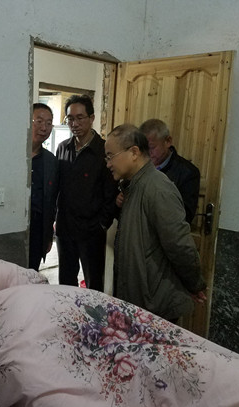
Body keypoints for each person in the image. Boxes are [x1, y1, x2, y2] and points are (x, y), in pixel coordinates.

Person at [105, 124, 206, 322]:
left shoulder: (158, 188)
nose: (108, 164)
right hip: (138, 299)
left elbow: (179, 245)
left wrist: (194, 284)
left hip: (154, 304)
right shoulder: (133, 186)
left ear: (134, 152)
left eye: (110, 156)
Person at [55, 95, 118, 291]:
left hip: (92, 231)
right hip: (65, 229)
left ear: (91, 118)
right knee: (66, 282)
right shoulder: (63, 148)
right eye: (70, 119)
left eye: (80, 118)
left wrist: (102, 224)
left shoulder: (104, 150)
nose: (74, 124)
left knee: (94, 283)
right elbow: (58, 188)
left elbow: (111, 192)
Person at [139, 119, 200, 224]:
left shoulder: (188, 172)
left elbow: (185, 217)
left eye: (151, 147)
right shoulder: (139, 166)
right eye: (143, 149)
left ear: (168, 141)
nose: (148, 153)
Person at [28, 103, 59, 271]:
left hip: (38, 228)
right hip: (14, 225)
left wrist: (48, 236)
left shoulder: (50, 161)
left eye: (49, 123)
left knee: (31, 273)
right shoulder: (13, 153)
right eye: (39, 121)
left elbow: (52, 200)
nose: (44, 128)